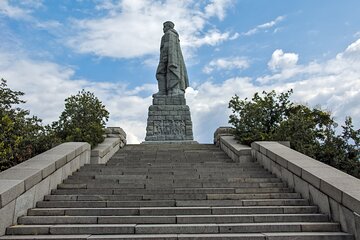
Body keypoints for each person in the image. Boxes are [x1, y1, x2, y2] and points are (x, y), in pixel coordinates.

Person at [154, 21, 189, 96]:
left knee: (164, 73)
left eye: (164, 27)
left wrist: (167, 58)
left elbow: (169, 46)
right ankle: (164, 91)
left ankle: (172, 90)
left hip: (167, 58)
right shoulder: (172, 35)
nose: (163, 29)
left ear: (168, 27)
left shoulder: (169, 34)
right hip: (167, 58)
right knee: (162, 73)